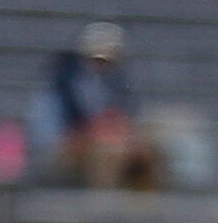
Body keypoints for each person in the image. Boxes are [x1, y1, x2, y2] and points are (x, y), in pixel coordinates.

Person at [35, 22, 156, 188]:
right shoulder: (63, 87)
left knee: (143, 152)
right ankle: (103, 205)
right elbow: (57, 135)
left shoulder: (114, 85)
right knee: (107, 154)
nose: (102, 66)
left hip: (102, 143)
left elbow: (122, 119)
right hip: (64, 149)